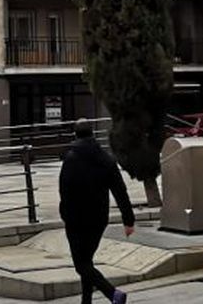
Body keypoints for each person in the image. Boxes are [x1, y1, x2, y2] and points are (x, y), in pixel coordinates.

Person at [58, 119, 135, 304]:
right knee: (87, 261)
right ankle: (86, 301)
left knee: (81, 264)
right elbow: (120, 190)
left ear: (75, 134)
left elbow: (64, 189)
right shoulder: (106, 159)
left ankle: (113, 294)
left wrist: (65, 213)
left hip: (75, 219)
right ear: (92, 134)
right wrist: (128, 220)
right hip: (98, 219)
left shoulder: (70, 159)